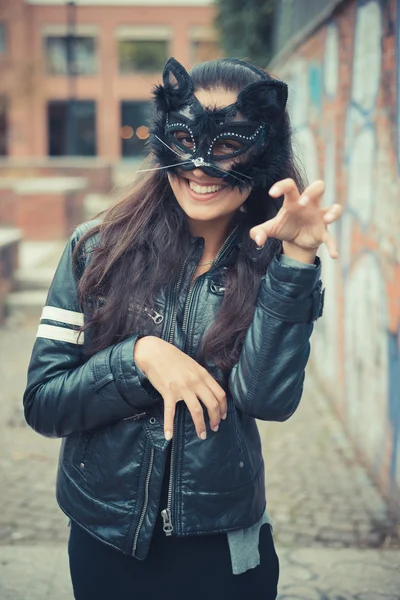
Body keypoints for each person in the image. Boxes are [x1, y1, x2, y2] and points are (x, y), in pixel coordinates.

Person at [23, 57, 342, 600]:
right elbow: (44, 403)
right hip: (106, 539)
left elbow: (266, 398)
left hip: (224, 549)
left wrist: (296, 259)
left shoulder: (274, 265)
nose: (200, 167)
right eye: (187, 140)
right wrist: (138, 358)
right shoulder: (95, 249)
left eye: (228, 147)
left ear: (264, 151)